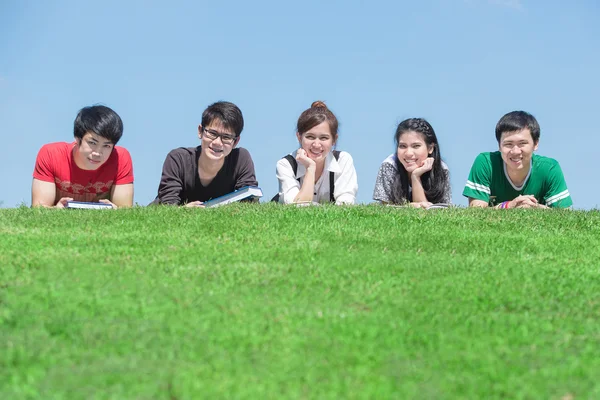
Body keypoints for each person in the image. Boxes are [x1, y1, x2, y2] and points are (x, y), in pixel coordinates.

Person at [152, 101, 258, 206]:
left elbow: (250, 202)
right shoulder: (178, 159)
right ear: (200, 131)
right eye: (212, 133)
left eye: (226, 137)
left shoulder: (240, 159)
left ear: (235, 141)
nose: (217, 142)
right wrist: (184, 211)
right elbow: (167, 206)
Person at [463, 110, 571, 208]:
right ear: (499, 146)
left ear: (536, 144)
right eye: (508, 144)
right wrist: (509, 206)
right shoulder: (486, 163)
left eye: (522, 143)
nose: (515, 151)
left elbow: (565, 215)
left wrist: (535, 207)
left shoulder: (549, 169)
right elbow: (476, 211)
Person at [31, 105, 134, 208]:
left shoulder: (121, 158)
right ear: (77, 138)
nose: (97, 153)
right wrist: (56, 210)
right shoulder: (51, 154)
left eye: (106, 146)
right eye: (92, 143)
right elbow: (39, 209)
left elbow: (124, 210)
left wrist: (115, 211)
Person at [275, 101, 358, 205]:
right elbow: (294, 206)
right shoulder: (286, 165)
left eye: (324, 138)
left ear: (334, 140)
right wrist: (310, 168)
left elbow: (346, 203)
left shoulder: (342, 160)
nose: (316, 144)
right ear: (299, 137)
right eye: (310, 137)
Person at [373, 118, 451, 208]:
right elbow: (385, 209)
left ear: (430, 148)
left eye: (416, 146)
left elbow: (433, 212)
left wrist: (415, 176)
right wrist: (410, 207)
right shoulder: (389, 165)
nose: (408, 153)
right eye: (402, 146)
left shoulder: (441, 169)